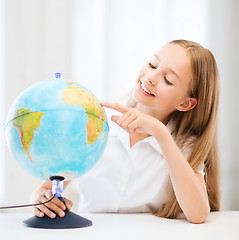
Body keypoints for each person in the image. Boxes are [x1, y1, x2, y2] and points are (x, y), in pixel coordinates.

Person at [31, 40, 220, 224]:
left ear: (185, 103)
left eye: (167, 80)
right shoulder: (94, 123)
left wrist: (160, 133)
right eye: (152, 65)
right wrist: (41, 199)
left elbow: (197, 214)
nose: (151, 77)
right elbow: (46, 188)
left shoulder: (183, 145)